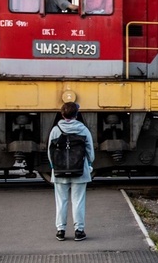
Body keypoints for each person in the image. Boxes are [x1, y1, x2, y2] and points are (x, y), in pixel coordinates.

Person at [50, 102, 94, 241]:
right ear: (76, 114)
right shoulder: (83, 129)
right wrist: (89, 164)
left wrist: (54, 166)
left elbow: (50, 153)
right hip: (80, 171)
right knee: (78, 201)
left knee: (61, 202)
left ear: (62, 114)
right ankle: (79, 231)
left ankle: (60, 231)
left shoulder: (56, 130)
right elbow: (90, 153)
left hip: (60, 172)